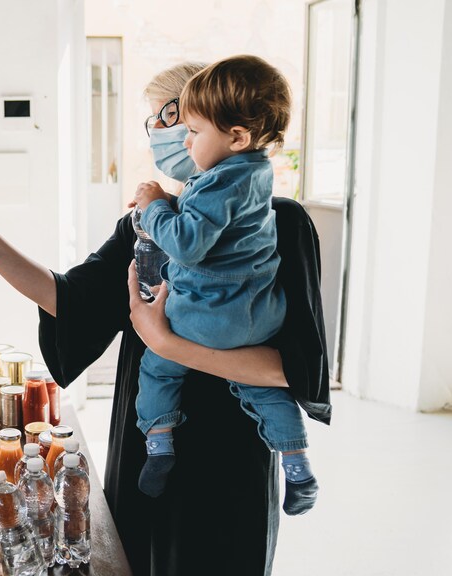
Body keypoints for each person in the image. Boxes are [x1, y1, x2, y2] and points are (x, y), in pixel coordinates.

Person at [0, 60, 331, 575]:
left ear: (210, 122)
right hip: (149, 449)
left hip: (231, 458)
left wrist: (171, 345)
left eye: (163, 118)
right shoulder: (145, 225)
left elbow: (294, 369)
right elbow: (65, 298)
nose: (156, 134)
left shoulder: (280, 223)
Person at [129, 55, 321, 514]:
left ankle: (158, 443)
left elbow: (189, 244)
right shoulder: (257, 175)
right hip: (258, 319)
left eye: (189, 130)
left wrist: (155, 208)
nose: (183, 140)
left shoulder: (217, 183)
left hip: (205, 316)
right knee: (265, 391)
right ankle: (296, 463)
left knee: (157, 366)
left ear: (237, 136)